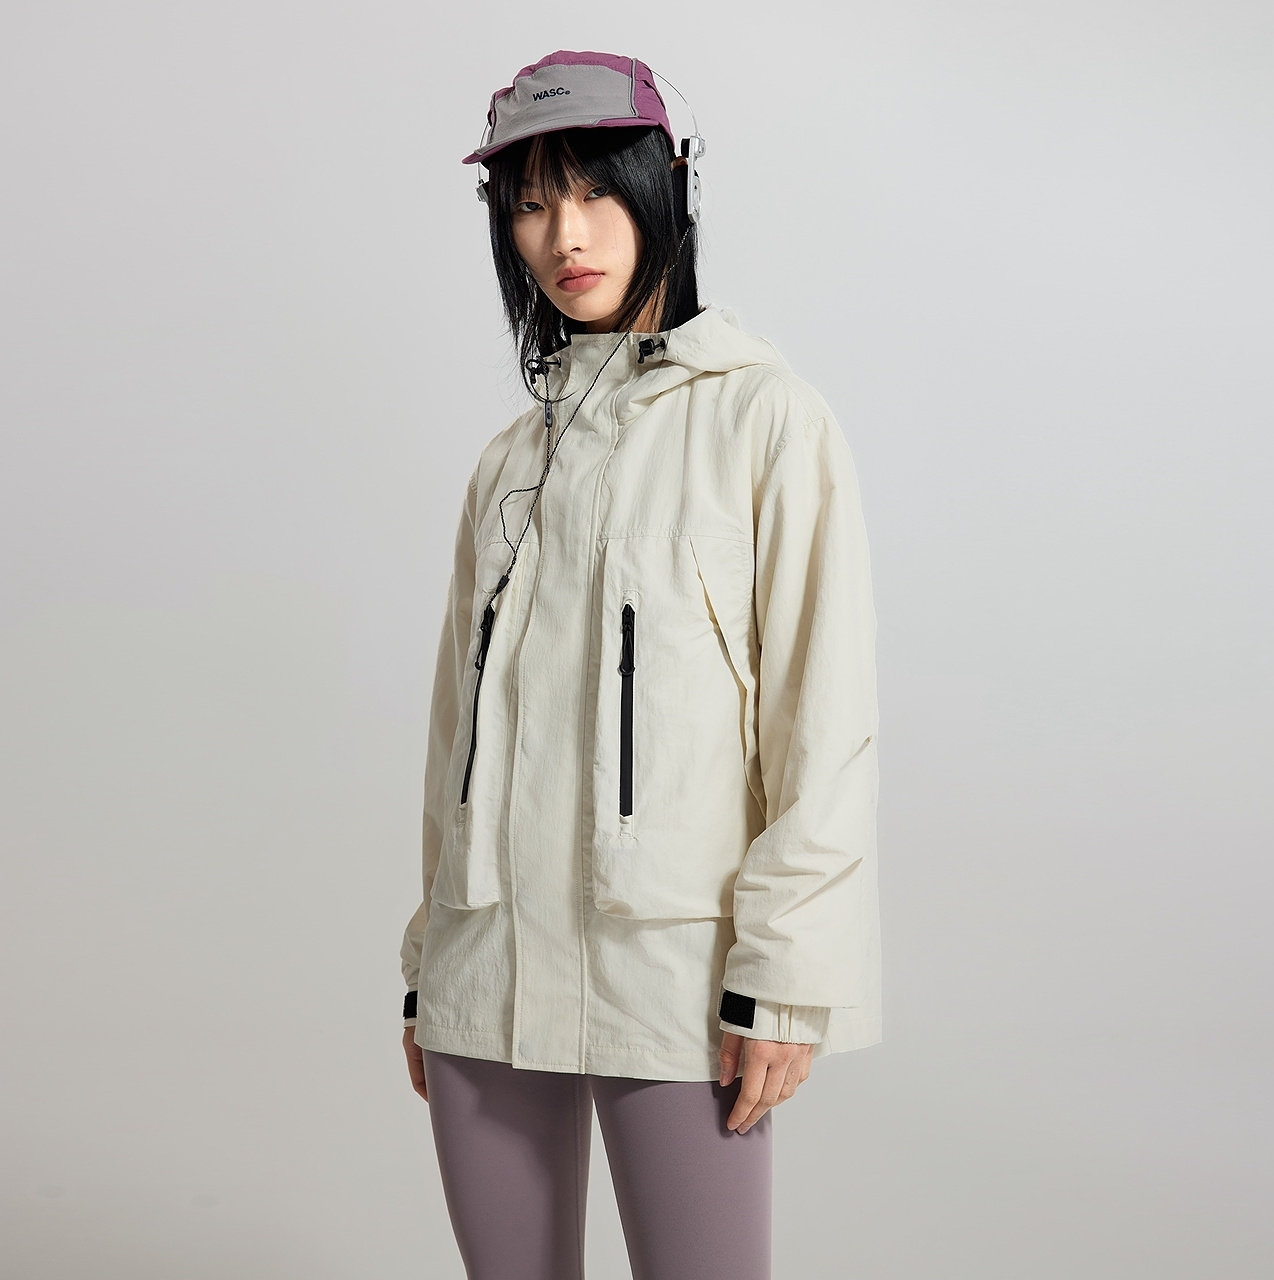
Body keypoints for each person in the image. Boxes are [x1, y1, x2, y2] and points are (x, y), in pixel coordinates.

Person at [398, 49, 881, 1280]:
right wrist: (424, 965)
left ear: (663, 183)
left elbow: (822, 727)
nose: (562, 234)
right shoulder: (508, 463)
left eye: (591, 190)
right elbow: (456, 736)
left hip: (673, 978)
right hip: (485, 970)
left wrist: (785, 978)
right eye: (528, 203)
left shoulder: (765, 421)